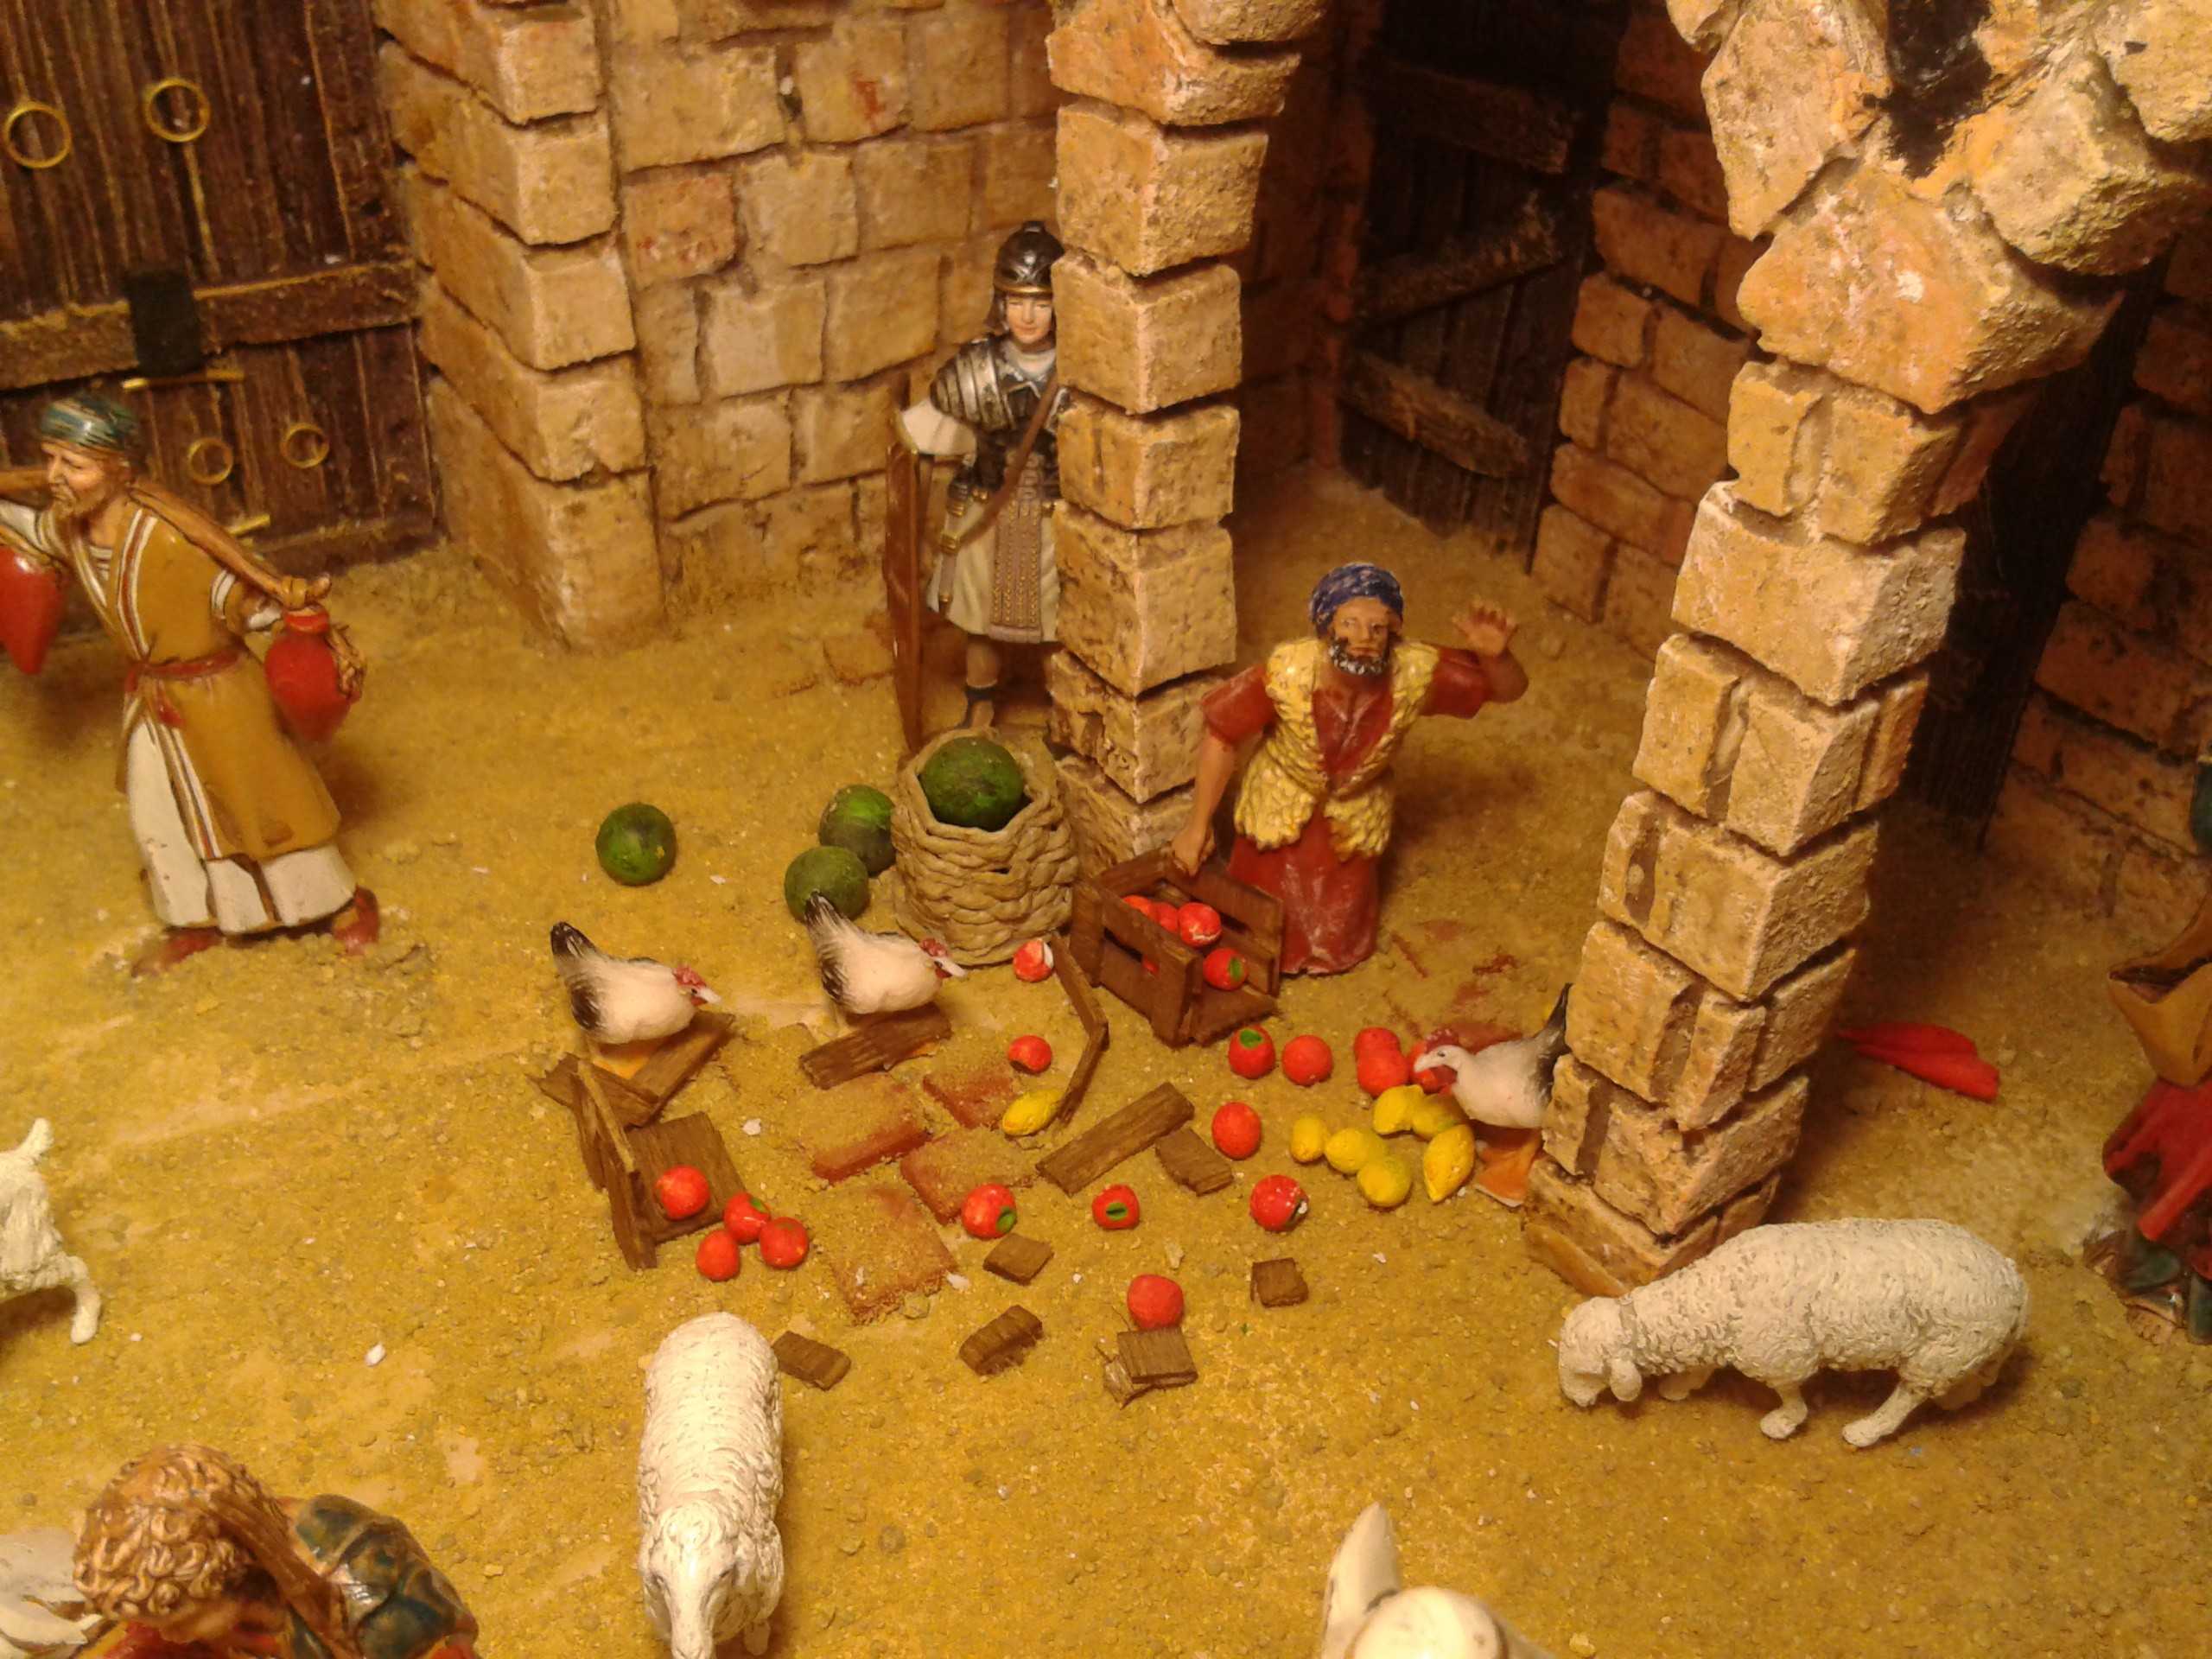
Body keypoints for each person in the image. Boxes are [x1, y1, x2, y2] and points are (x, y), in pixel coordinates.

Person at [0, 395, 376, 975]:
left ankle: (341, 904)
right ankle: (193, 918)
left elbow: (239, 596)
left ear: (118, 468)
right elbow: (22, 525)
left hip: (220, 694)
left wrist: (292, 616)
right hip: (152, 698)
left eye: (73, 464)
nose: (55, 477)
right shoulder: (68, 527)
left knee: (266, 807)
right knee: (159, 811)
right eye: (50, 459)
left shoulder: (172, 538)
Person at [1169, 563, 1528, 976]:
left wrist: (1496, 658)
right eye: (1350, 624)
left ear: (1393, 632)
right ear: (1327, 626)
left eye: (1377, 628)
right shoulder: (1286, 673)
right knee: (1263, 912)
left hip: (1355, 814)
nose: (1363, 639)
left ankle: (1331, 951)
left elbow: (1506, 690)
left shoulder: (1414, 673)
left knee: (1339, 913)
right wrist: (1197, 826)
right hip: (1281, 803)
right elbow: (1221, 732)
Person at [73, 1444, 480, 1659]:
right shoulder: (218, 1602)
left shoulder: (377, 1605)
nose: (171, 1636)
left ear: (229, 1577)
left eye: (180, 1621)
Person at [897, 220, 1068, 730]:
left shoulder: (1081, 372)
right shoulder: (976, 370)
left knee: (1058, 623)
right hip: (988, 509)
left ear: (1059, 305)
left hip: (1054, 517)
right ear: (1001, 302)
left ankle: (1065, 712)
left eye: (1041, 302)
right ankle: (981, 702)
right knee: (981, 620)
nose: (1028, 316)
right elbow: (922, 438)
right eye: (1017, 301)